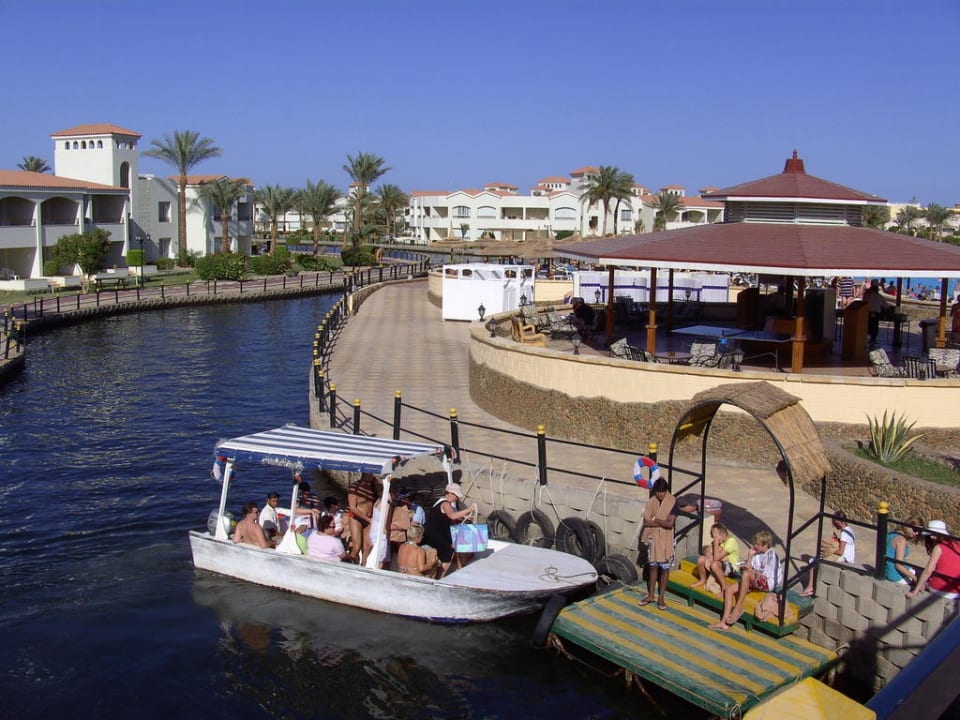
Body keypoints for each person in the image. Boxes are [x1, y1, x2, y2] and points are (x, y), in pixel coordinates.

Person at [710, 530, 781, 630]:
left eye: (758, 544)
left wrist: (750, 570)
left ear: (766, 545)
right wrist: (750, 556)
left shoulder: (772, 556)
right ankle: (723, 622)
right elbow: (750, 567)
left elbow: (765, 576)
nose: (755, 546)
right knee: (729, 589)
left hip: (768, 583)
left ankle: (738, 607)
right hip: (754, 579)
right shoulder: (758, 554)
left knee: (746, 573)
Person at [638, 477, 676, 611]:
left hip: (666, 541)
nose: (659, 494)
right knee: (652, 567)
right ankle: (650, 595)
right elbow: (646, 522)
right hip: (653, 540)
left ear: (666, 491)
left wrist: (655, 519)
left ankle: (661, 598)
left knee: (665, 569)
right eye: (657, 492)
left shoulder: (673, 502)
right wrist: (661, 522)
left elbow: (670, 524)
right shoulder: (651, 502)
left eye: (662, 491)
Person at [423, 483, 477, 575]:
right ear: (450, 494)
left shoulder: (442, 502)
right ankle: (439, 577)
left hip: (432, 534)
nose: (458, 498)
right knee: (448, 555)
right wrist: (469, 509)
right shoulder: (445, 504)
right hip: (437, 536)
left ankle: (439, 573)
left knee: (443, 553)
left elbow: (451, 514)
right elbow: (452, 515)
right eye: (456, 496)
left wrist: (464, 517)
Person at [801, 511, 855, 596]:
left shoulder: (844, 533)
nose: (834, 525)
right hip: (847, 556)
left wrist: (830, 550)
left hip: (844, 559)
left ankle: (810, 587)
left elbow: (840, 552)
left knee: (813, 562)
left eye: (834, 523)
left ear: (838, 522)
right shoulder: (849, 529)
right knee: (815, 559)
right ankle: (812, 585)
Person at [907, 520, 960, 599]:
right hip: (957, 590)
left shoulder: (938, 548)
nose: (931, 537)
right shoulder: (956, 544)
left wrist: (915, 591)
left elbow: (929, 570)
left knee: (921, 575)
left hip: (941, 589)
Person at [692, 523, 740, 595]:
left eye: (717, 536)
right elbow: (710, 554)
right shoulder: (720, 542)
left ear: (723, 534)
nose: (715, 539)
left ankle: (724, 587)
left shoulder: (731, 542)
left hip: (732, 567)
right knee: (701, 559)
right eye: (713, 537)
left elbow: (716, 558)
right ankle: (703, 579)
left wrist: (716, 542)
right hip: (719, 565)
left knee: (714, 564)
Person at [346, 472, 380, 563]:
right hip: (356, 518)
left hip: (369, 519)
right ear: (364, 474)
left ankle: (364, 565)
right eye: (370, 474)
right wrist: (368, 519)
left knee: (367, 546)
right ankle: (350, 564)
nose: (372, 475)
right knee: (357, 546)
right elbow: (352, 507)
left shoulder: (373, 487)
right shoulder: (355, 487)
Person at [885, 516, 923, 585]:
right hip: (896, 575)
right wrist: (915, 578)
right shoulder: (901, 540)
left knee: (921, 572)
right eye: (915, 530)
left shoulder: (892, 533)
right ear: (908, 525)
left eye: (919, 531)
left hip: (887, 570)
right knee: (924, 578)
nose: (917, 533)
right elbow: (898, 565)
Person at [368, 491, 395, 569]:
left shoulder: (377, 501)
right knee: (380, 558)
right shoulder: (387, 503)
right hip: (380, 532)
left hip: (373, 529)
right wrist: (386, 533)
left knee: (374, 554)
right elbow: (385, 520)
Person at [863, 279, 890, 346]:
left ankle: (867, 342)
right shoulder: (879, 297)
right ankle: (872, 342)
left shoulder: (867, 295)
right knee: (874, 330)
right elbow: (886, 306)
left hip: (868, 314)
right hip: (875, 314)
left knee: (867, 329)